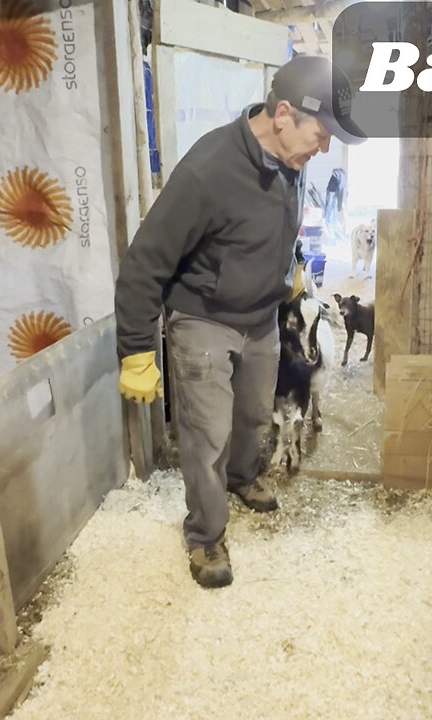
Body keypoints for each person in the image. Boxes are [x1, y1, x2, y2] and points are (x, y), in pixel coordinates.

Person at [114, 55, 365, 589]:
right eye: (320, 134)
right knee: (207, 437)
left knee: (254, 418)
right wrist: (136, 348)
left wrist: (290, 267)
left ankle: (244, 478)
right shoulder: (209, 170)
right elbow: (145, 260)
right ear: (281, 115)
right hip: (206, 318)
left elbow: (274, 225)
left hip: (261, 317)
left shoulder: (292, 165)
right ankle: (205, 536)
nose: (323, 148)